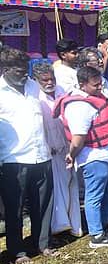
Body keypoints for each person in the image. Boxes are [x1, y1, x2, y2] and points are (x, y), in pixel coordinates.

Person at [55, 66, 108, 248]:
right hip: (94, 157)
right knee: (94, 195)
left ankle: (103, 225)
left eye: (100, 83)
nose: (100, 87)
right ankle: (97, 235)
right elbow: (78, 138)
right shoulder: (78, 106)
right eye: (95, 85)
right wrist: (71, 155)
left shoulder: (96, 96)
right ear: (82, 85)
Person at [0, 46, 53, 264]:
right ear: (5, 69)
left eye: (25, 70)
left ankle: (43, 244)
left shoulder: (33, 86)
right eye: (19, 71)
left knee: (43, 204)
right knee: (15, 208)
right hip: (14, 159)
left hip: (42, 155)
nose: (24, 75)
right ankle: (18, 251)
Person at [32, 62, 83, 238]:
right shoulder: (35, 97)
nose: (49, 83)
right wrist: (48, 146)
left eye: (51, 79)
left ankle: (74, 225)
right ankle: (58, 227)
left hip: (68, 147)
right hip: (49, 151)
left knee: (71, 185)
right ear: (36, 80)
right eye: (44, 80)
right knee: (56, 190)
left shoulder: (62, 91)